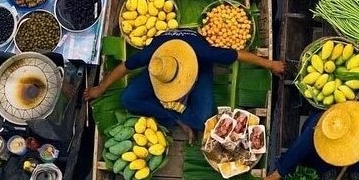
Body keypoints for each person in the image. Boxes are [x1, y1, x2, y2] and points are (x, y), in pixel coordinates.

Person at [83, 28, 284, 142]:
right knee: (128, 98)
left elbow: (238, 55)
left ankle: (178, 113)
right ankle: (176, 118)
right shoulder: (153, 55)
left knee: (202, 120)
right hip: (163, 69)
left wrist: (270, 64)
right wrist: (101, 88)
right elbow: (124, 67)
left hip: (198, 66)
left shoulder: (204, 53)